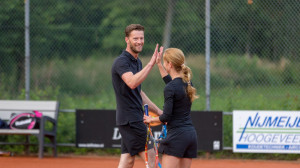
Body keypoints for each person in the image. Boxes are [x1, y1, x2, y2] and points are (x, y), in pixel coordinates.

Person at [111, 24, 163, 168]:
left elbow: (138, 93)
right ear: (127, 39)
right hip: (130, 120)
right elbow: (132, 83)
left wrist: (159, 112)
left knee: (127, 160)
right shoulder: (121, 62)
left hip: (131, 119)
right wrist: (151, 64)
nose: (139, 41)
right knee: (152, 154)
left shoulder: (137, 62)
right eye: (135, 38)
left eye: (141, 38)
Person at [144, 48, 199, 168]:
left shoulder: (171, 88)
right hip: (190, 136)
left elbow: (166, 117)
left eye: (164, 62)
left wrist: (150, 119)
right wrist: (159, 64)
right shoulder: (188, 84)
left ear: (170, 64)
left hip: (177, 136)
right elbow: (171, 83)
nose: (164, 64)